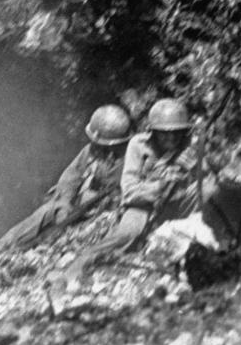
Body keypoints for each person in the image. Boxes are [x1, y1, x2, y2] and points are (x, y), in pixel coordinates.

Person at [62, 98, 212, 276]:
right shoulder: (138, 145)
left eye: (177, 132)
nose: (171, 138)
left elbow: (212, 180)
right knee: (126, 235)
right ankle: (79, 265)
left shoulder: (192, 145)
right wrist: (160, 184)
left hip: (180, 204)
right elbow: (130, 191)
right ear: (153, 132)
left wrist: (198, 167)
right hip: (143, 206)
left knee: (210, 190)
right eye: (164, 133)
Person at [0, 105, 131, 250]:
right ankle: (2, 246)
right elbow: (71, 177)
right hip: (80, 206)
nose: (97, 147)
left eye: (102, 144)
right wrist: (64, 204)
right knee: (47, 211)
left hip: (105, 215)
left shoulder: (132, 156)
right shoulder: (91, 151)